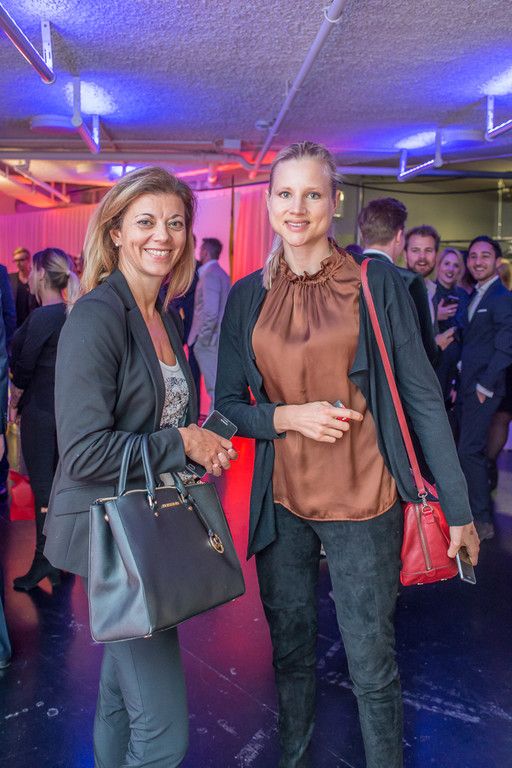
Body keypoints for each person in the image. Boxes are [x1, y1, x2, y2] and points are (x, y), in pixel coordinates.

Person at [215, 141, 478, 768]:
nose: (297, 207)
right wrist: (286, 416)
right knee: (290, 654)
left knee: (371, 663)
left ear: (335, 203)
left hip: (366, 499)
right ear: (268, 204)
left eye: (312, 194)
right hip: (283, 503)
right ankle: (294, 757)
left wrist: (460, 509)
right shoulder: (248, 295)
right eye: (285, 194)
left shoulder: (373, 281)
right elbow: (225, 407)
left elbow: (421, 397)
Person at [44, 166, 237, 768]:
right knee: (163, 737)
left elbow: (157, 416)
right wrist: (183, 442)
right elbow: (83, 453)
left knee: (120, 705)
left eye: (175, 223)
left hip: (145, 530)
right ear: (116, 232)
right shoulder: (98, 316)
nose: (163, 236)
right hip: (110, 534)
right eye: (146, 221)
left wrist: (200, 440)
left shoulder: (164, 314)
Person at [10, 248, 80, 591]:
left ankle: (44, 559)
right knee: (58, 488)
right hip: (67, 415)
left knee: (42, 491)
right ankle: (58, 558)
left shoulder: (43, 317)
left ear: (39, 273)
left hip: (40, 414)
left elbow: (23, 367)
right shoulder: (74, 314)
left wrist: (13, 400)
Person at [457, 235, 512, 542]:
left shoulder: (501, 297)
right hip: (467, 385)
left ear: (497, 261)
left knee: (469, 451)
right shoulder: (477, 293)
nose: (478, 262)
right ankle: (472, 512)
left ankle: (482, 519)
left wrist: (484, 386)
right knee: (468, 449)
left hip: (482, 388)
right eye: (473, 256)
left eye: (485, 256)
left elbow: (506, 348)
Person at [357, 198, 438, 363]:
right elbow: (424, 353)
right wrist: (439, 349)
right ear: (400, 236)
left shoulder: (337, 274)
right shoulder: (409, 282)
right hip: (390, 377)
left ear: (361, 234)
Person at [188, 237, 230, 412]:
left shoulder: (210, 275)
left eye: (201, 250)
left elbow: (211, 312)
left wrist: (203, 340)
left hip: (209, 341)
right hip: (216, 339)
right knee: (216, 387)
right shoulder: (221, 273)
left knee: (214, 388)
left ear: (205, 252)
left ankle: (214, 427)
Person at [432, 248, 469, 406]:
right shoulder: (428, 292)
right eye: (446, 263)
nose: (451, 269)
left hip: (455, 368)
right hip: (433, 364)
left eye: (455, 265)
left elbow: (467, 334)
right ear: (439, 265)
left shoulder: (463, 295)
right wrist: (435, 316)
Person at [9, 247, 38, 327]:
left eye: (21, 260)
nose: (18, 263)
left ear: (28, 260)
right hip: (16, 323)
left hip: (33, 321)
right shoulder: (11, 278)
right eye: (16, 260)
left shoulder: (36, 278)